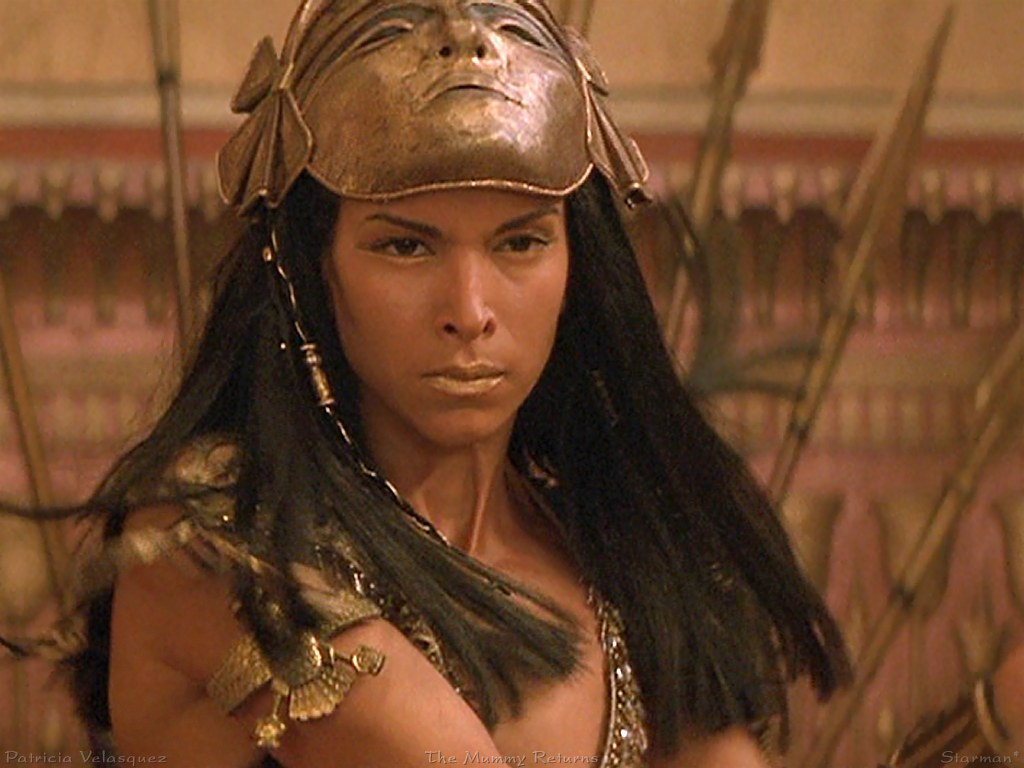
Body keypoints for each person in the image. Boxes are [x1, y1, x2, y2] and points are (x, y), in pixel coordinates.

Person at [3, 1, 850, 766]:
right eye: (405, 246)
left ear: (579, 267)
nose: (470, 311)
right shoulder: (213, 538)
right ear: (308, 270)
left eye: (520, 243)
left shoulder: (616, 552)